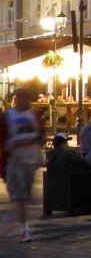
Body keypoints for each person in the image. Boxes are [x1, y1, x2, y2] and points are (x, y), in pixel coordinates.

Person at [1, 89, 46, 241]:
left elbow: (41, 134)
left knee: (25, 197)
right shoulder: (7, 116)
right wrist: (16, 143)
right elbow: (2, 139)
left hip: (30, 161)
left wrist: (36, 144)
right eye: (23, 98)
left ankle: (14, 218)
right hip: (14, 160)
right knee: (19, 196)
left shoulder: (34, 115)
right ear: (17, 99)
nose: (26, 101)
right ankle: (24, 230)